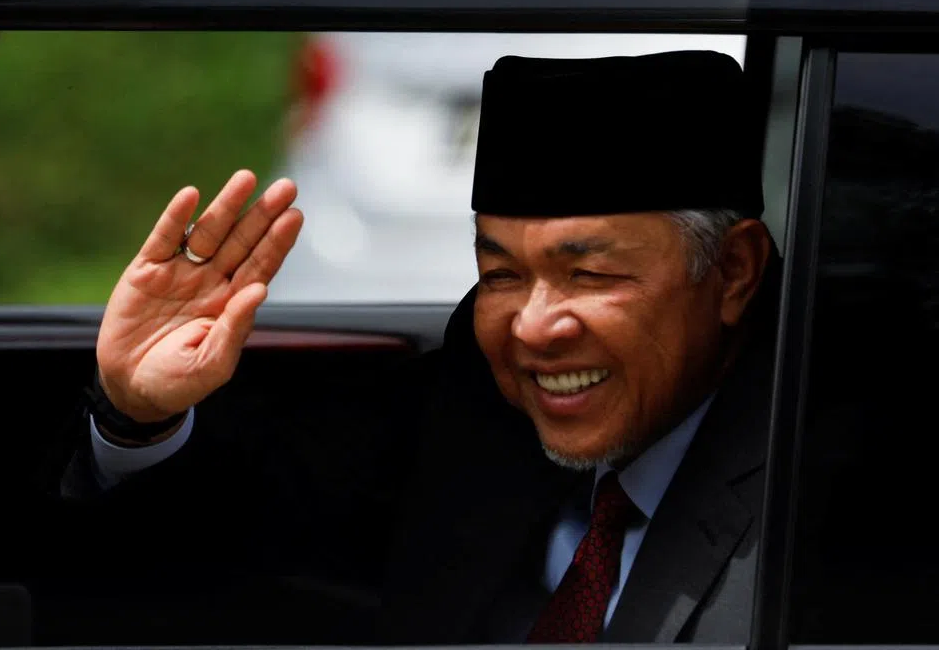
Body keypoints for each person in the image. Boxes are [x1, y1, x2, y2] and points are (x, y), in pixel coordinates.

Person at [56, 50, 780, 645]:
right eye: (500, 274)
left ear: (733, 273)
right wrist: (139, 416)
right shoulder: (470, 410)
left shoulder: (818, 487)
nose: (533, 326)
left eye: (588, 275)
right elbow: (222, 561)